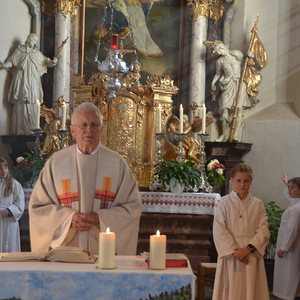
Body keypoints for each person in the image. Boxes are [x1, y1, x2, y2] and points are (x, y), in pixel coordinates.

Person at [29, 102, 142, 255]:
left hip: (103, 250)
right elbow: (38, 208)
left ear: (101, 130)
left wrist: (100, 218)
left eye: (94, 125)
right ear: (72, 130)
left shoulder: (117, 164)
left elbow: (132, 207)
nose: (89, 130)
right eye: (83, 125)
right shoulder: (56, 163)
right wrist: (69, 218)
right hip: (65, 250)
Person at [212, 163, 270, 300]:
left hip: (251, 253)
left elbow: (263, 230)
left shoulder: (257, 204)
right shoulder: (224, 202)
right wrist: (235, 252)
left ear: (251, 181)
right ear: (232, 181)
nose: (242, 184)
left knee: (251, 289)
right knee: (231, 288)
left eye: (246, 181)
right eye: (238, 180)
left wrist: (248, 249)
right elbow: (219, 229)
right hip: (231, 254)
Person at [0, 33, 58, 135]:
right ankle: (20, 128)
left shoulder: (36, 53)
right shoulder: (19, 50)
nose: (34, 42)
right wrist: (4, 65)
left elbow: (46, 62)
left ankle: (33, 127)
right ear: (28, 39)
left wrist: (53, 62)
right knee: (21, 101)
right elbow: (13, 61)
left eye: (35, 41)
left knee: (33, 101)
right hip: (22, 80)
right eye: (33, 40)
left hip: (33, 81)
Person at [209, 41, 257, 142]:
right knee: (224, 109)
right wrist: (213, 83)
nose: (219, 51)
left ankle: (235, 134)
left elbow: (246, 63)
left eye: (220, 48)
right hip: (227, 84)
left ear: (223, 47)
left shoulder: (237, 54)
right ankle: (224, 134)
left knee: (239, 109)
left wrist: (250, 55)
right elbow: (218, 74)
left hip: (239, 84)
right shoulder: (220, 61)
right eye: (217, 50)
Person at [273, 173, 300, 300]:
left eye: (292, 187)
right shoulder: (296, 204)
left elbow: (292, 230)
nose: (289, 190)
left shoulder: (296, 209)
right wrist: (286, 183)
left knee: (289, 272)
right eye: (289, 187)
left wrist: (284, 248)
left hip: (290, 247)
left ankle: (288, 295)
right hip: (291, 246)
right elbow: (292, 199)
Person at [0, 157, 25, 252]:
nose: (4, 171)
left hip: (9, 220)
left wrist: (9, 211)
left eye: (5, 167)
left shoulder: (15, 184)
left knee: (9, 246)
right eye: (0, 168)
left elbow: (19, 203)